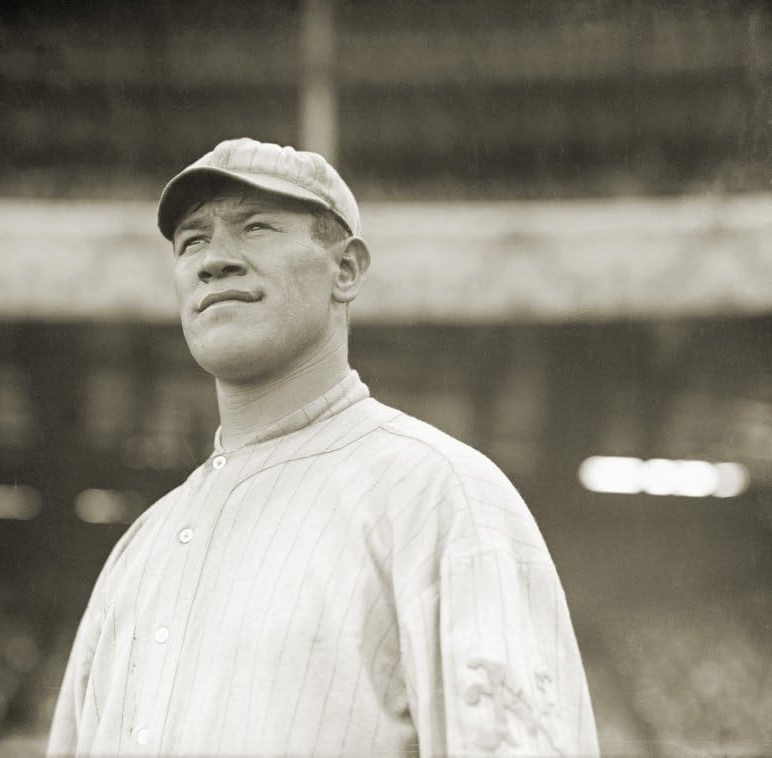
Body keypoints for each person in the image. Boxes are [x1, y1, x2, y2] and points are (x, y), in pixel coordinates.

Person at [47, 138, 599, 757]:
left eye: (255, 228)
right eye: (192, 241)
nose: (213, 261)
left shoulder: (442, 491)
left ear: (346, 269)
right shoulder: (140, 547)